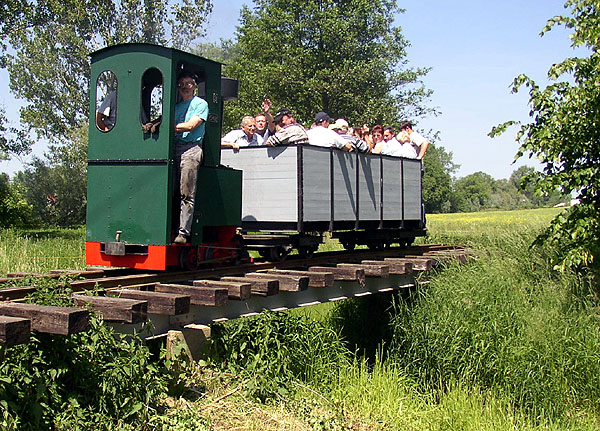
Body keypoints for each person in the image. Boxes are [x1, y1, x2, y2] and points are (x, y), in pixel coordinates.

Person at [173, 71, 209, 244]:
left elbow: (191, 126)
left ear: (194, 86)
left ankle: (183, 232)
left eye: (188, 84)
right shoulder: (176, 106)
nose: (185, 87)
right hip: (174, 148)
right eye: (182, 84)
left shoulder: (200, 104)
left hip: (191, 149)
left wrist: (169, 127)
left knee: (187, 193)